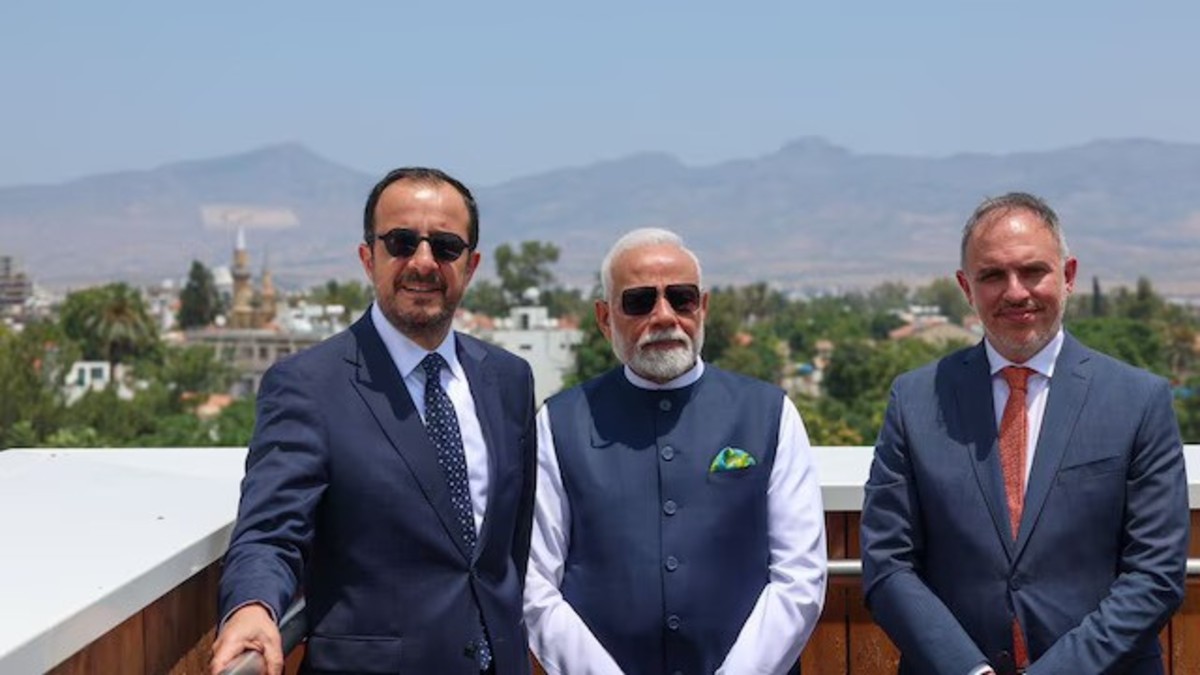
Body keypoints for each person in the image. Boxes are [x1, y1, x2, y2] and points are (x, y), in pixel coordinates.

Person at [211, 167, 537, 675]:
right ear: (369, 258)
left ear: (470, 265)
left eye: (446, 247)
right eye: (402, 242)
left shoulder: (509, 380)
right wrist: (252, 605)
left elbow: (509, 548)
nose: (423, 262)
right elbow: (271, 531)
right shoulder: (308, 386)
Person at [860, 192, 1189, 675]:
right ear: (966, 287)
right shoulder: (915, 401)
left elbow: (1155, 575)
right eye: (992, 275)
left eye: (1033, 271)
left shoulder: (1138, 401)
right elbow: (888, 562)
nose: (1015, 292)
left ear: (1068, 275)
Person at [522, 227, 827, 675]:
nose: (663, 315)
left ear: (703, 308)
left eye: (681, 298)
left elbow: (800, 575)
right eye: (639, 301)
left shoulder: (769, 413)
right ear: (605, 317)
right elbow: (535, 582)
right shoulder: (558, 422)